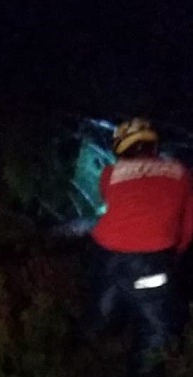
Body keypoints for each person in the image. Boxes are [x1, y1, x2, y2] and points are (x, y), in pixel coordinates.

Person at [87, 117, 193, 377]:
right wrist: (171, 255)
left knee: (98, 316)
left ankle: (74, 355)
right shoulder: (181, 173)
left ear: (121, 149)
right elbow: (188, 225)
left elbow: (111, 203)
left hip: (105, 256)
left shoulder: (110, 174)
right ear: (153, 145)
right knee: (157, 332)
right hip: (152, 265)